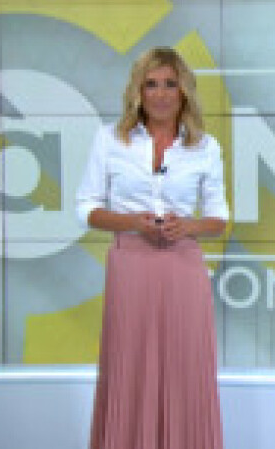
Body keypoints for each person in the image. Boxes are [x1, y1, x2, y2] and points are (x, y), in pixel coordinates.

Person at [76, 46, 228, 449]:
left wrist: (189, 226)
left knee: (185, 366)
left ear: (184, 91)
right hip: (131, 264)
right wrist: (131, 222)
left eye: (170, 84)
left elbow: (218, 218)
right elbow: (86, 208)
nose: (161, 94)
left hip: (183, 266)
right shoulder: (110, 140)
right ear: (138, 92)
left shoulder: (205, 147)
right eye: (151, 84)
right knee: (130, 365)